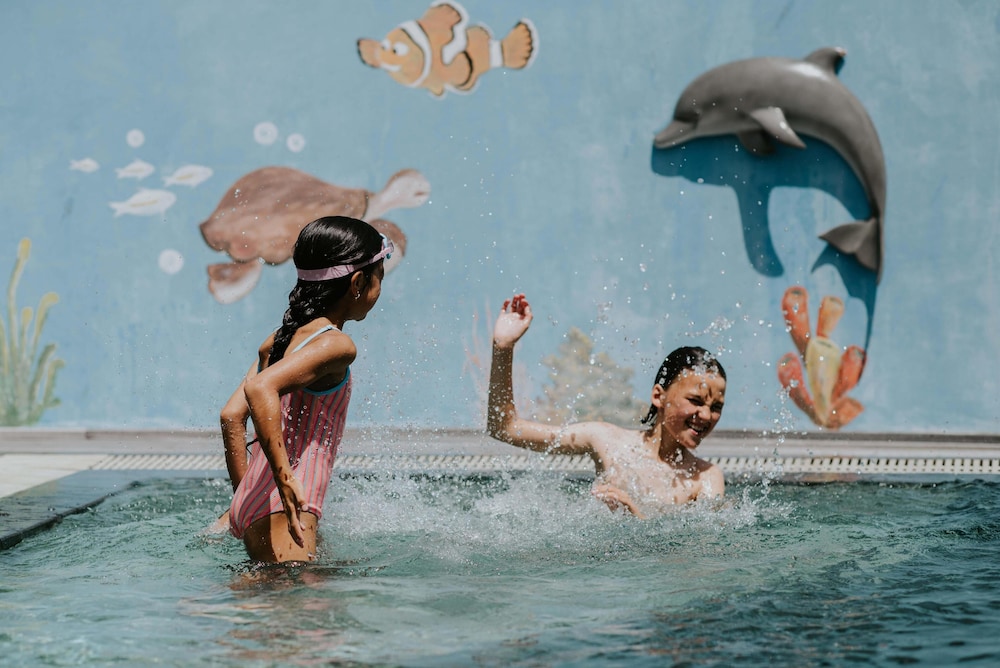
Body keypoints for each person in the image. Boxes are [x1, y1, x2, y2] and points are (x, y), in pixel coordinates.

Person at [219, 215, 392, 563]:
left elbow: (231, 416)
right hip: (288, 502)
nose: (380, 289)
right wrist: (284, 482)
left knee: (310, 581)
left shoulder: (280, 339)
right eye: (380, 278)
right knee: (288, 597)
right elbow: (261, 389)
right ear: (358, 283)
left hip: (259, 500)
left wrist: (248, 497)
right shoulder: (336, 346)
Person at [487, 294, 726, 518]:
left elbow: (700, 547)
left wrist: (634, 516)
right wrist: (503, 349)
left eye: (716, 407)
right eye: (695, 401)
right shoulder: (608, 441)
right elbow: (504, 428)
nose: (706, 415)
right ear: (658, 396)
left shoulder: (706, 478)